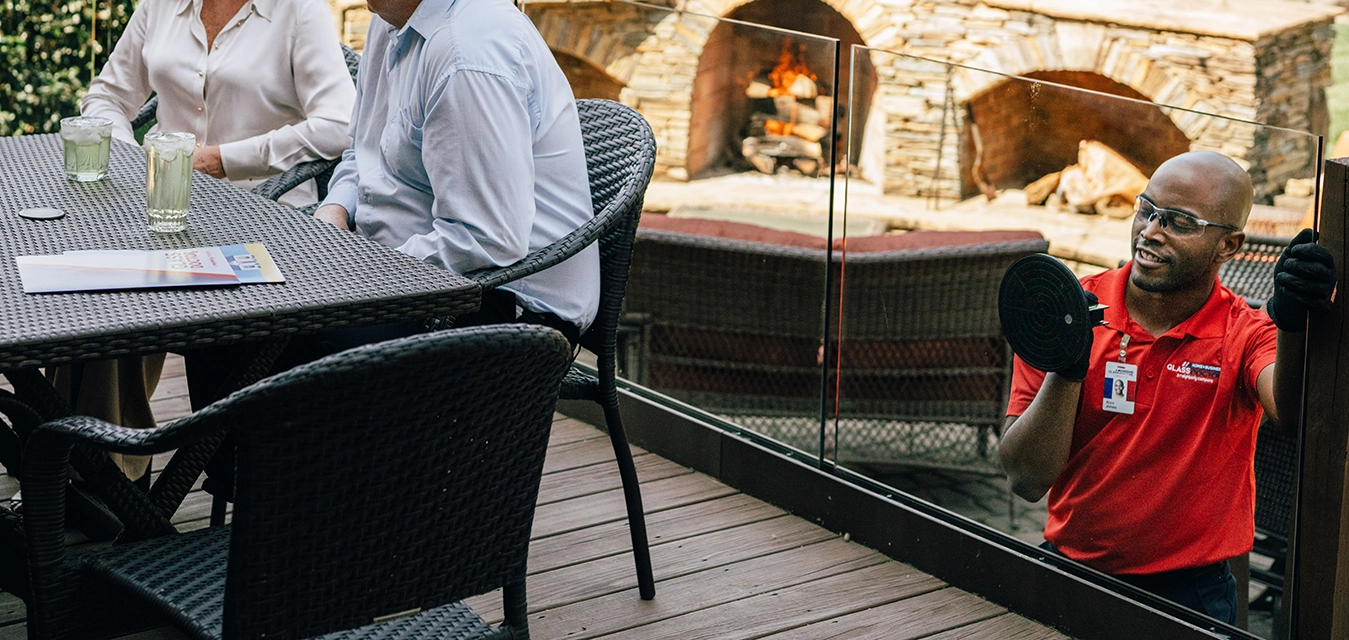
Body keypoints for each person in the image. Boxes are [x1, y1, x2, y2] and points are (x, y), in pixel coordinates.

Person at [999, 151, 1336, 624]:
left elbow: (1291, 412)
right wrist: (1067, 364)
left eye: (1179, 222)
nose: (1151, 232)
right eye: (1147, 210)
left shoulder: (1244, 330)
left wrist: (1293, 323)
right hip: (1070, 568)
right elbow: (1025, 479)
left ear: (1229, 245)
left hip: (1190, 594)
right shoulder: (1069, 307)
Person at [46, 0, 357, 493]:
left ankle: (95, 478)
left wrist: (222, 160)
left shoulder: (299, 10)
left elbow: (340, 124)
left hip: (262, 228)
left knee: (111, 292)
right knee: (76, 278)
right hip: (164, 217)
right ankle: (95, 473)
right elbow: (106, 96)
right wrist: (134, 162)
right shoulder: (161, 4)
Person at [309, 0, 599, 343]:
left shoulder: (467, 52)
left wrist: (360, 271)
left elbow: (487, 239)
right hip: (406, 272)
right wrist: (334, 211)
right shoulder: (390, 20)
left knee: (275, 342)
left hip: (502, 306)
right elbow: (365, 151)